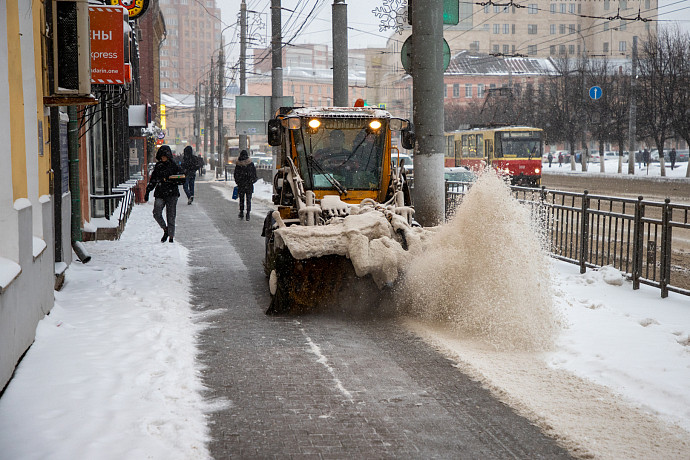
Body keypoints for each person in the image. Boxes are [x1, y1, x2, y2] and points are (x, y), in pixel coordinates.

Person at [145, 145, 183, 243]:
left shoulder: (174, 165)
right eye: (162, 156)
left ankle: (171, 237)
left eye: (165, 156)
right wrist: (148, 191)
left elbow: (181, 179)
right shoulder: (158, 166)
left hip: (172, 193)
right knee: (156, 213)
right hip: (160, 193)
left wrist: (170, 180)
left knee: (171, 215)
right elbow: (153, 180)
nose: (163, 158)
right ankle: (165, 229)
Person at [233, 149, 257, 221]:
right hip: (249, 185)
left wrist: (238, 182)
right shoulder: (250, 164)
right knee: (248, 200)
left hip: (241, 185)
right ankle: (248, 214)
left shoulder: (238, 164)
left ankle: (241, 212)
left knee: (241, 199)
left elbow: (235, 174)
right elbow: (254, 174)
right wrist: (252, 181)